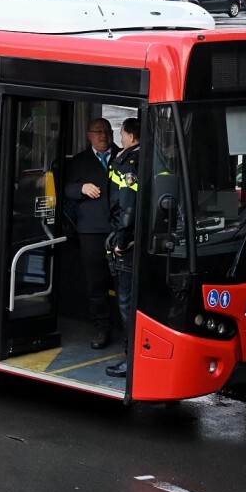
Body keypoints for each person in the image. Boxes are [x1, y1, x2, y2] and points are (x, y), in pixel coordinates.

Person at [57, 116, 118, 348]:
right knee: (96, 282)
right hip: (91, 231)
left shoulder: (124, 157)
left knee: (123, 282)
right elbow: (64, 188)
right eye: (98, 131)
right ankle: (102, 329)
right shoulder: (79, 161)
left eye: (107, 131)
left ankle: (129, 331)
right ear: (89, 135)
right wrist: (81, 188)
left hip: (120, 230)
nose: (103, 136)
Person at [104, 117, 142, 376]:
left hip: (128, 243)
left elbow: (128, 206)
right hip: (141, 239)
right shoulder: (150, 156)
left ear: (130, 136)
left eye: (122, 133)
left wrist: (121, 242)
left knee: (126, 302)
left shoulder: (129, 162)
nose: (121, 138)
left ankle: (132, 359)